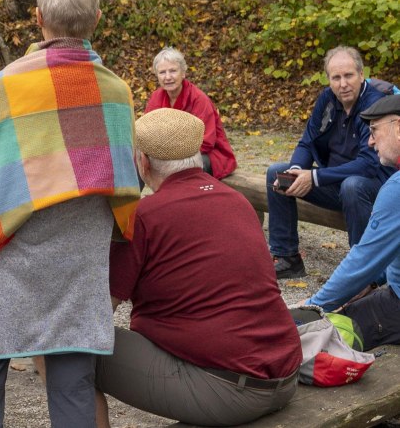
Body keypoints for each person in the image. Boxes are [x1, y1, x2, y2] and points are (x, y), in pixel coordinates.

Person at [0, 0, 140, 428]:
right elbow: (126, 192)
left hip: (6, 258)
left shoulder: (5, 88)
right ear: (96, 19)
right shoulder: (117, 94)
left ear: (38, 17)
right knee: (73, 384)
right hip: (76, 265)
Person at [95, 108, 302, 428]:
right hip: (286, 378)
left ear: (143, 162)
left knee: (64, 348)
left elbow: (96, 315)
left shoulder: (143, 217)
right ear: (196, 157)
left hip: (227, 391)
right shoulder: (237, 201)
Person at [266, 46, 394, 279]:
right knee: (277, 173)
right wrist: (296, 172)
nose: (343, 83)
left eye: (349, 76)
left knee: (353, 185)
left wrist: (314, 177)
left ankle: (366, 273)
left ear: (362, 75)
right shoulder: (327, 100)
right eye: (336, 77)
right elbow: (307, 142)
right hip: (334, 183)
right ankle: (287, 257)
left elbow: (369, 163)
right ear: (329, 80)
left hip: (373, 188)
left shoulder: (374, 105)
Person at [303, 94, 400, 350]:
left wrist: (310, 309)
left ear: (398, 129)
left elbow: (363, 260)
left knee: (327, 332)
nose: (369, 141)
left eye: (374, 131)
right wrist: (372, 281)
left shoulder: (397, 188)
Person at [145, 46, 237, 178]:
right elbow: (148, 132)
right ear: (157, 76)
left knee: (178, 169)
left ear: (183, 73)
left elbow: (206, 142)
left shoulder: (199, 99)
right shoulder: (156, 97)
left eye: (173, 71)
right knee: (139, 161)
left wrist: (169, 154)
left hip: (207, 155)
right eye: (162, 72)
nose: (168, 77)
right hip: (169, 154)